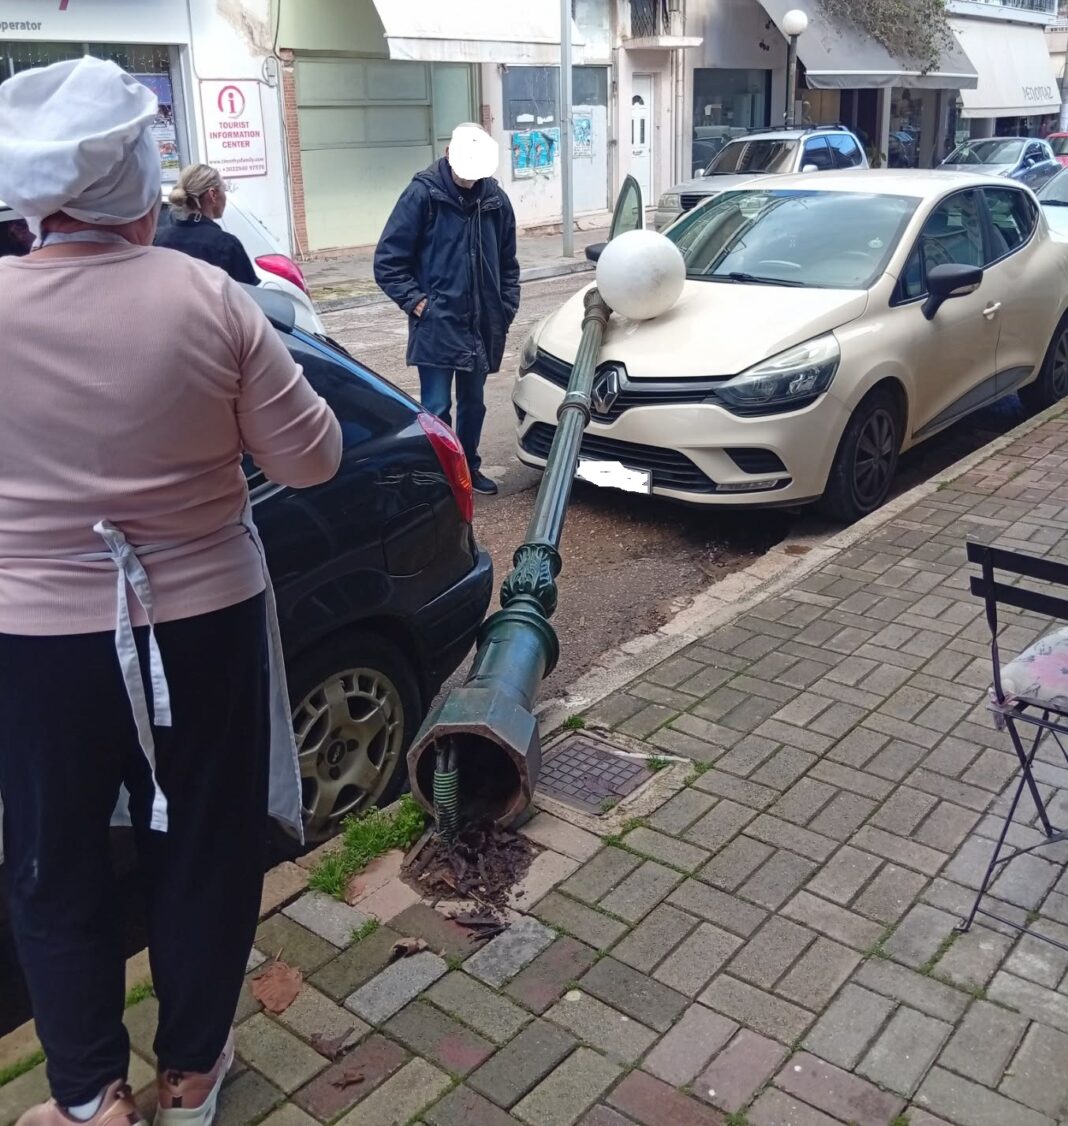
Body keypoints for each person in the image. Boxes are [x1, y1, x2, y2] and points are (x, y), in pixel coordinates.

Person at [0, 57, 341, 1126]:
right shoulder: (211, 296)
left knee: (53, 857)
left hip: (33, 635)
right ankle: (191, 1073)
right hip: (205, 620)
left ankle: (87, 1098)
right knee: (202, 841)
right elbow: (314, 460)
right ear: (141, 190)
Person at [374, 123, 520, 496]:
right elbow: (388, 261)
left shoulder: (496, 201)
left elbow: (508, 262)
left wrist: (504, 308)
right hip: (438, 322)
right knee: (436, 407)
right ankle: (441, 478)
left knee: (474, 404)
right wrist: (418, 303)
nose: (470, 181)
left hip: (481, 323)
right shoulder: (422, 195)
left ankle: (468, 468)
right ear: (448, 156)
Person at [154, 163, 259, 285]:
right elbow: (248, 296)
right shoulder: (226, 245)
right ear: (213, 194)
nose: (225, 196)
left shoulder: (160, 241)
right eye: (224, 189)